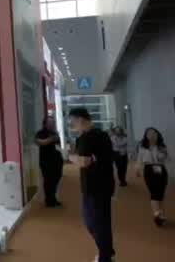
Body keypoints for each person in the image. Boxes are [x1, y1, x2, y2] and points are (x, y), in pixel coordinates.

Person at [70, 108, 115, 262]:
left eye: (73, 122)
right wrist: (78, 158)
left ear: (81, 119)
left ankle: (105, 256)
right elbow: (83, 160)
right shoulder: (82, 138)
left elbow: (84, 161)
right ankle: (106, 251)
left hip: (100, 186)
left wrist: (71, 157)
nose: (72, 125)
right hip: (89, 185)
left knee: (97, 222)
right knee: (92, 221)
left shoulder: (98, 136)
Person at [136, 127, 169, 226]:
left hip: (161, 169)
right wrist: (137, 169)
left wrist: (162, 152)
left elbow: (165, 159)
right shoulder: (142, 146)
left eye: (154, 133)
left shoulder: (161, 146)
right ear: (146, 136)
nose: (151, 135)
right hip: (149, 170)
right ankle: (156, 214)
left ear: (157, 135)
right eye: (149, 133)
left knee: (161, 193)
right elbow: (139, 159)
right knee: (154, 192)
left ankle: (161, 214)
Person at [36, 116, 64, 207]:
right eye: (50, 122)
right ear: (45, 123)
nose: (52, 124)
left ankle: (53, 198)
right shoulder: (40, 133)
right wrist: (51, 139)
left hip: (57, 160)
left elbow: (58, 146)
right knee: (48, 180)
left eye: (53, 122)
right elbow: (39, 142)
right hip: (46, 161)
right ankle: (49, 200)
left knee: (57, 178)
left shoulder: (55, 133)